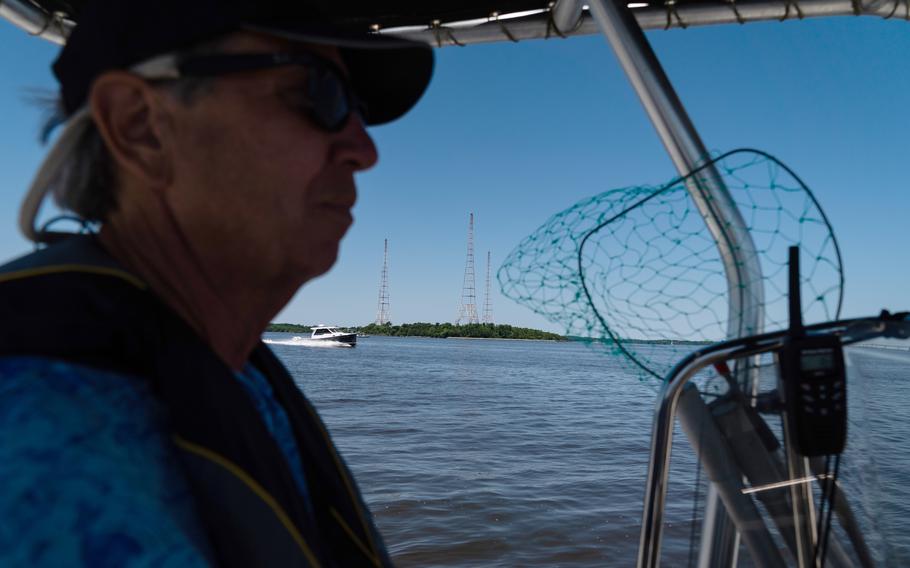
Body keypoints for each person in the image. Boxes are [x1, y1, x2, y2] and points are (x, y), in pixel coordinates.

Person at [0, 0, 433, 566]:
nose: (364, 151)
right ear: (141, 127)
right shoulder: (35, 430)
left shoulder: (223, 361)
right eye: (318, 93)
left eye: (358, 108)